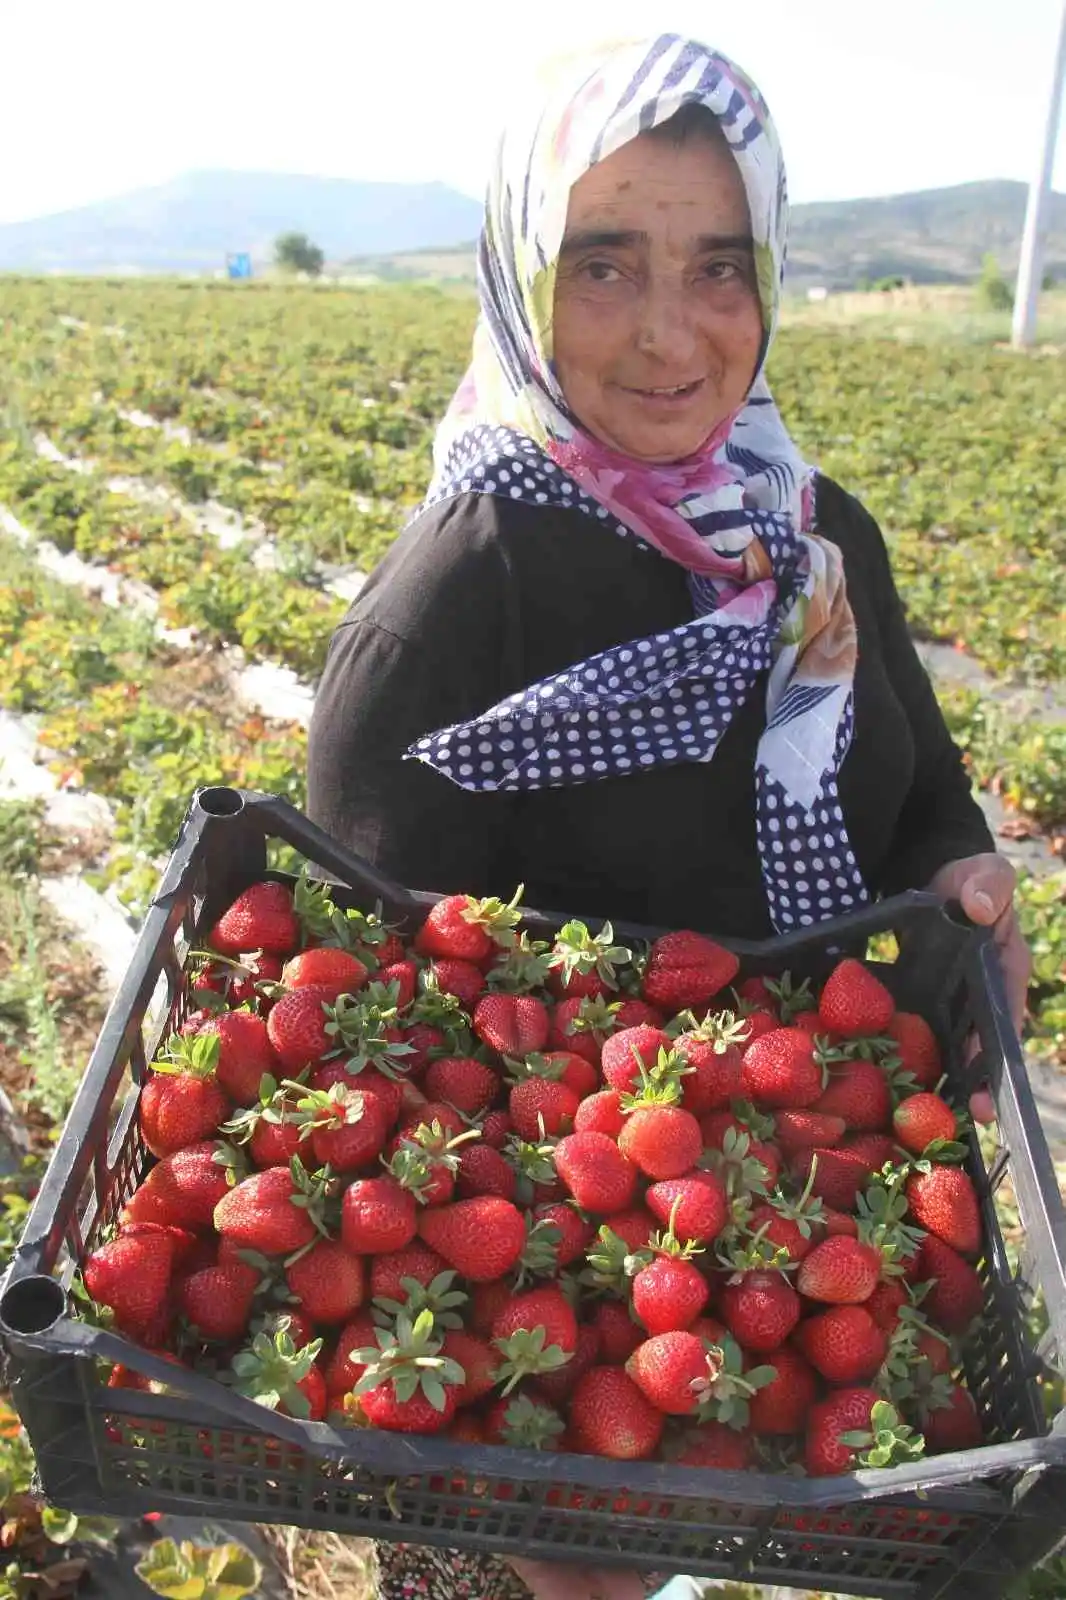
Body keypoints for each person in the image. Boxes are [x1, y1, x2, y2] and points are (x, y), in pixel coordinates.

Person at [307, 33, 1031, 1600]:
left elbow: (916, 796)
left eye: (718, 267)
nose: (667, 335)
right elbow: (370, 1037)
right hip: (594, 1310)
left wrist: (959, 869)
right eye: (603, 265)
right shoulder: (455, 605)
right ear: (518, 274)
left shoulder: (810, 529)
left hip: (814, 1215)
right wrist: (565, 1461)